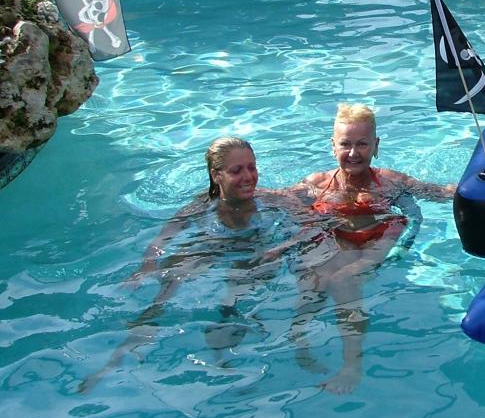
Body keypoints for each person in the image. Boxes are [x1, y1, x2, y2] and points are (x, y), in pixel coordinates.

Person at [79, 137, 291, 392]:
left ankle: (224, 359)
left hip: (253, 248)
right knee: (167, 289)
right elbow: (162, 239)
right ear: (216, 175)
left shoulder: (270, 200)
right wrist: (147, 266)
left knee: (237, 294)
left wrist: (280, 248)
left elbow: (307, 223)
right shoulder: (201, 206)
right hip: (210, 245)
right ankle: (119, 357)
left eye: (252, 167)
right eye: (236, 170)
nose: (248, 176)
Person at [274, 102, 455, 394]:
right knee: (314, 277)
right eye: (345, 144)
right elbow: (276, 199)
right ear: (332, 146)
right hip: (337, 241)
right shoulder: (317, 184)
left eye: (362, 144)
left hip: (377, 239)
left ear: (376, 145)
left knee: (344, 279)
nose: (353, 153)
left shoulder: (391, 182)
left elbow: (440, 193)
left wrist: (484, 181)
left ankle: (352, 365)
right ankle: (300, 341)